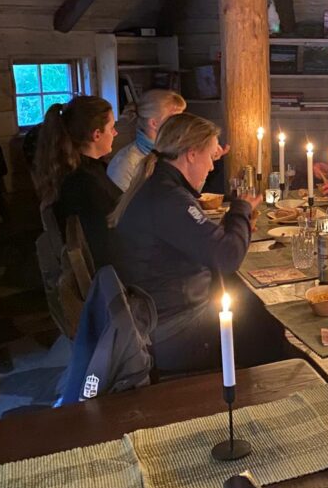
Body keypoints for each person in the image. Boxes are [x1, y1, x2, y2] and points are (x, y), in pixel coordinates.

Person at [111, 113, 278, 374]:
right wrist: (240, 210)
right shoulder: (168, 198)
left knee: (248, 302)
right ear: (191, 154)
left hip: (157, 316)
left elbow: (195, 241)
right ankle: (267, 398)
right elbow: (227, 258)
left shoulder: (159, 185)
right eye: (211, 157)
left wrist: (233, 224)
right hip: (173, 333)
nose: (212, 167)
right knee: (269, 324)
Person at [34, 95, 121, 268]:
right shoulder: (82, 182)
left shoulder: (86, 169)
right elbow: (102, 243)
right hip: (109, 273)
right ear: (97, 134)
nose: (115, 133)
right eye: (112, 128)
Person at [107, 89, 186, 191]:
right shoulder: (124, 165)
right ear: (154, 123)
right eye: (175, 119)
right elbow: (121, 206)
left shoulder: (174, 153)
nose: (182, 125)